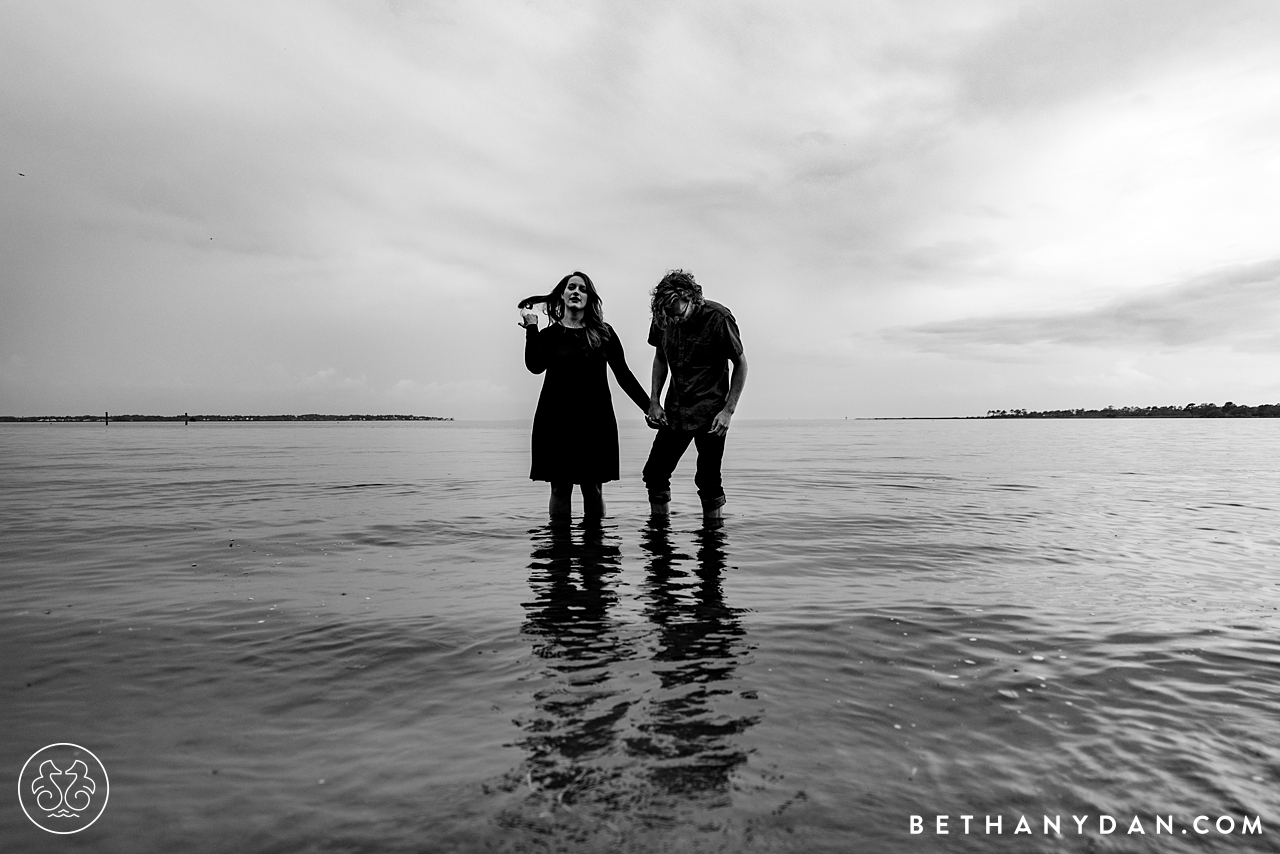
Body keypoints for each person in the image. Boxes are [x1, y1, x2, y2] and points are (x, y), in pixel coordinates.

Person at [519, 272, 651, 521]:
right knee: (560, 487)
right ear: (563, 295)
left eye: (582, 288)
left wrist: (649, 407)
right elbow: (534, 365)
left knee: (593, 488)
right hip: (555, 421)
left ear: (589, 298)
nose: (576, 291)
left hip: (595, 421)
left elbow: (623, 375)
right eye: (571, 287)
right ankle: (559, 553)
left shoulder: (604, 333)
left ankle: (595, 553)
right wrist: (532, 328)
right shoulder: (549, 335)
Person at [642, 269, 747, 519]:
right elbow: (660, 358)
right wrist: (654, 401)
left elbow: (741, 363)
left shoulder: (719, 318)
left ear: (692, 298)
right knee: (655, 473)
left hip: (711, 414)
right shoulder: (662, 317)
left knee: (708, 481)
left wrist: (728, 411)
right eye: (668, 315)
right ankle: (659, 538)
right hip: (674, 412)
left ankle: (712, 548)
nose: (674, 320)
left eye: (678, 313)